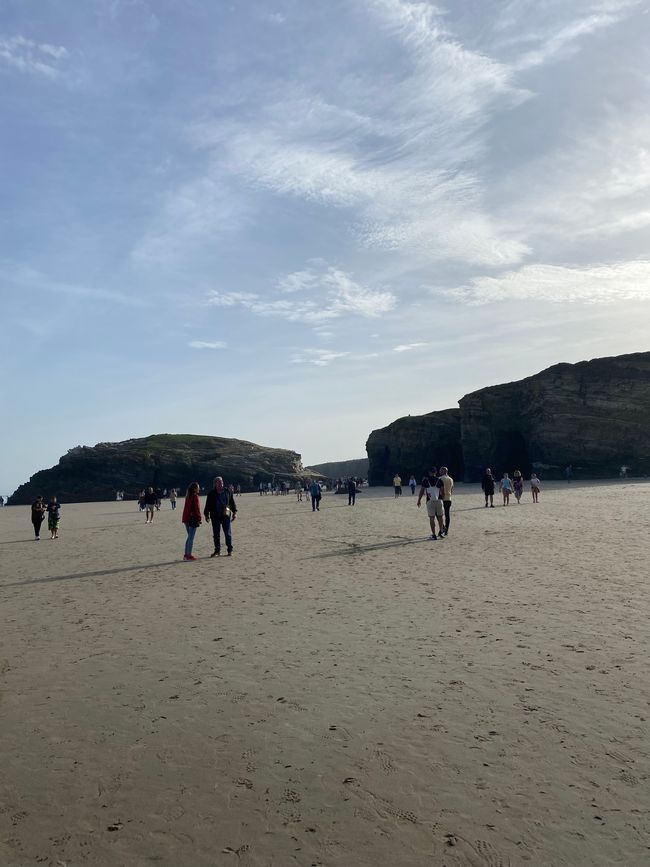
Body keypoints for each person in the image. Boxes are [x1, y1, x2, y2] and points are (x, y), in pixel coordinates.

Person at [204, 476, 237, 557]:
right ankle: (217, 550)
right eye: (219, 482)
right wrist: (206, 515)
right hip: (215, 516)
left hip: (226, 515)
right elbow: (207, 505)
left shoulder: (227, 491)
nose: (221, 484)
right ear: (215, 484)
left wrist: (234, 512)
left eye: (222, 482)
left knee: (227, 533)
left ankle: (230, 550)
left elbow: (232, 502)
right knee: (216, 534)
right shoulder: (211, 493)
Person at [417, 470, 444, 540]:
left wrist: (419, 500)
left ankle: (434, 534)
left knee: (432, 518)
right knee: (440, 517)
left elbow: (422, 491)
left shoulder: (425, 481)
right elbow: (442, 491)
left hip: (430, 501)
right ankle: (441, 532)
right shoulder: (439, 480)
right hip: (439, 500)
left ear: (429, 473)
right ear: (436, 472)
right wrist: (442, 498)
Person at [181, 482, 202, 560]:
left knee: (189, 537)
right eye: (198, 487)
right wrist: (199, 518)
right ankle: (188, 555)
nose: (199, 489)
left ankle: (186, 555)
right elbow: (197, 509)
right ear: (194, 489)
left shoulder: (188, 496)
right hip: (192, 519)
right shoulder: (195, 496)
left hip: (186, 518)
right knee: (191, 538)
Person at [436, 467, 454, 536]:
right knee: (447, 515)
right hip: (448, 498)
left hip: (441, 498)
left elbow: (438, 489)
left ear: (443, 471)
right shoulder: (451, 479)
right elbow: (452, 490)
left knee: (438, 514)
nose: (439, 471)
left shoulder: (440, 479)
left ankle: (443, 527)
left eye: (440, 470)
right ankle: (446, 530)